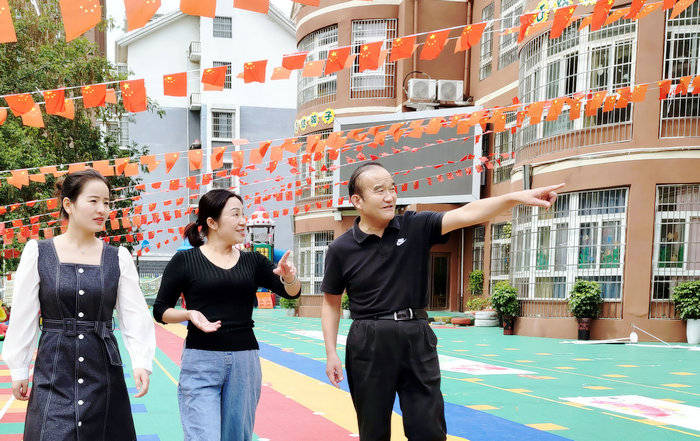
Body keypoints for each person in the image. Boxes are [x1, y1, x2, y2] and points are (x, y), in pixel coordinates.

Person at [321, 162, 563, 441]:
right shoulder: (341, 249)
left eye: (392, 188)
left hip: (416, 335)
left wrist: (512, 198)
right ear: (357, 201)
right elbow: (331, 302)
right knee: (373, 431)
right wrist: (331, 352)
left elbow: (468, 213)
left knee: (429, 429)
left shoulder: (415, 226)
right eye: (379, 191)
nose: (390, 197)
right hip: (369, 340)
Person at [2, 169, 156, 441]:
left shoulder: (118, 257)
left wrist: (141, 362)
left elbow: (134, 314)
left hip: (103, 372)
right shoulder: (38, 252)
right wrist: (18, 367)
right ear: (68, 205)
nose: (103, 210)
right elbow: (23, 315)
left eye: (107, 203)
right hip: (53, 370)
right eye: (93, 201)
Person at [152, 189, 301, 441]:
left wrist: (289, 276)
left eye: (243, 213)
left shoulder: (253, 261)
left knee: (237, 437)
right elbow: (160, 311)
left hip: (245, 363)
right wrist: (189, 314)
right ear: (212, 222)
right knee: (203, 436)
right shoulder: (184, 261)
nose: (243, 220)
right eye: (235, 214)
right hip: (200, 361)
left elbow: (292, 293)